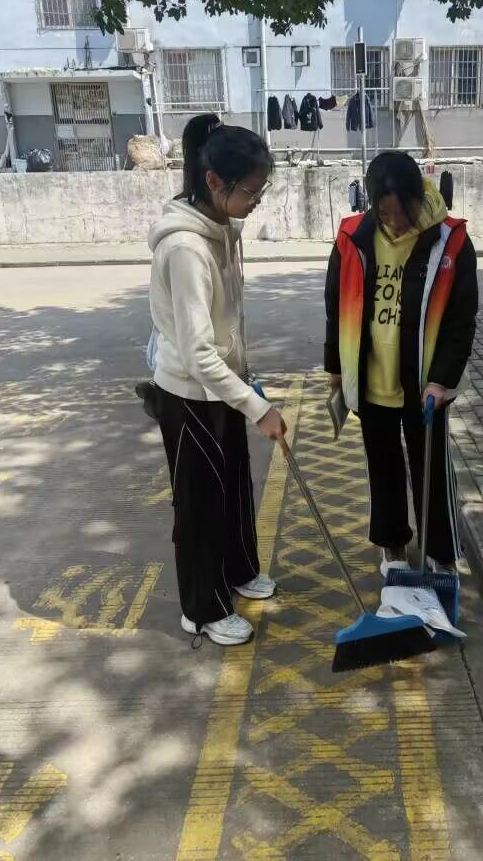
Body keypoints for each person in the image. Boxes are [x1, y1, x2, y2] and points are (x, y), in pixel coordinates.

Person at [147, 113, 287, 646]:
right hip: (189, 395)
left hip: (224, 384)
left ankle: (239, 570)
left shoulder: (224, 231)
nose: (256, 201)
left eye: (260, 189)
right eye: (250, 191)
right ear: (213, 181)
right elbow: (197, 352)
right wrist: (259, 409)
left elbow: (228, 323)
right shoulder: (185, 249)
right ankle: (202, 610)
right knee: (200, 504)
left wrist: (247, 384)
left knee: (234, 486)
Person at [324, 151, 478, 577]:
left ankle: (441, 552)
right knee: (383, 467)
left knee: (431, 470)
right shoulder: (352, 237)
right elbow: (336, 306)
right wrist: (335, 368)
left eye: (402, 211)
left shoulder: (450, 241)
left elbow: (461, 320)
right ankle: (392, 546)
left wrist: (442, 380)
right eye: (384, 213)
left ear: (418, 197)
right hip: (371, 377)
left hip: (424, 384)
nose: (394, 222)